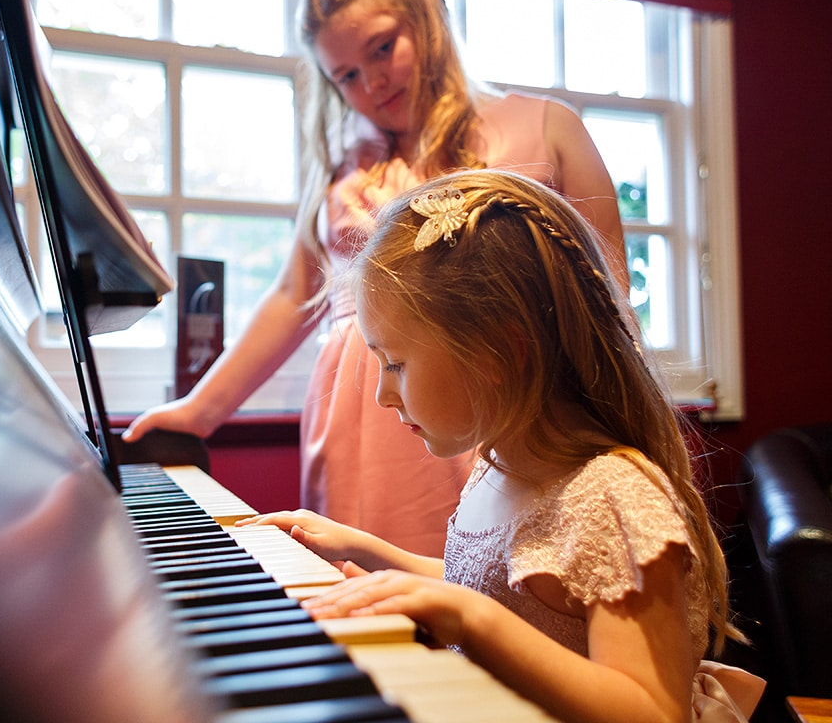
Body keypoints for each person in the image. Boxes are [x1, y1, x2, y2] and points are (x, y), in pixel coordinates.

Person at [122, 0, 628, 557]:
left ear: (425, 20)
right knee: (369, 611)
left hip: (504, 406)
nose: (372, 82)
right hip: (365, 423)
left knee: (503, 591)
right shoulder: (341, 172)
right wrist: (201, 410)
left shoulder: (545, 127)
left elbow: (609, 295)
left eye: (383, 49)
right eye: (347, 76)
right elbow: (291, 297)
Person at [238, 170, 764, 723]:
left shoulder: (613, 500)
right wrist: (372, 554)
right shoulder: (498, 465)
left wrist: (470, 620)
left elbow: (650, 711)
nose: (381, 394)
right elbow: (509, 592)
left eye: (395, 363)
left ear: (497, 353)